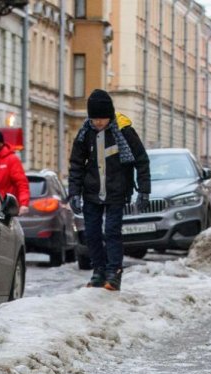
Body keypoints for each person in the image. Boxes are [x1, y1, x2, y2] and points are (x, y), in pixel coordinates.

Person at [67, 89, 150, 291]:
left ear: (110, 115)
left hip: (116, 191)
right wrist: (74, 193)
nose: (98, 123)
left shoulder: (124, 130)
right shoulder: (85, 133)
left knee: (112, 231)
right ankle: (98, 272)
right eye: (95, 119)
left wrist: (144, 190)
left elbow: (141, 160)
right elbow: (76, 164)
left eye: (102, 119)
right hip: (92, 191)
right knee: (92, 233)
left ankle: (114, 273)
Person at [0, 128, 29, 209]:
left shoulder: (12, 160)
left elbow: (21, 183)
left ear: (1, 143)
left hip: (6, 206)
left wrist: (24, 204)